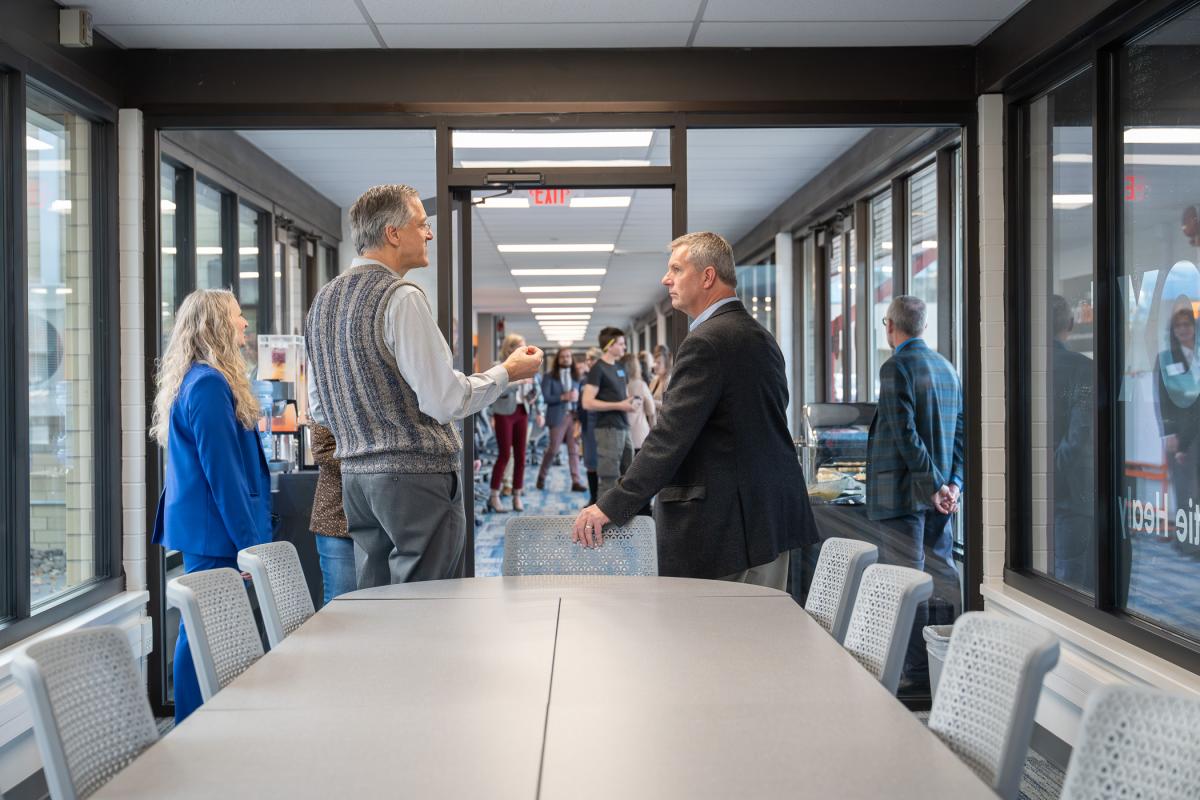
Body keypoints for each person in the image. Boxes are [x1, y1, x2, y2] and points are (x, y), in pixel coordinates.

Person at [305, 184, 543, 588]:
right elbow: (443, 399)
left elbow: (321, 408)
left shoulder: (322, 303)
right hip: (415, 479)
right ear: (393, 233)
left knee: (376, 602)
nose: (429, 233)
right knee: (426, 603)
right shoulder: (401, 298)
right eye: (421, 224)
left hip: (357, 482)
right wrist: (506, 373)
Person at [573, 232, 818, 589]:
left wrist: (611, 504)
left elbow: (669, 438)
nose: (666, 279)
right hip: (768, 521)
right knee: (761, 638)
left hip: (727, 530)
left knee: (713, 641)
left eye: (676, 269)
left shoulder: (706, 342)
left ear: (707, 276)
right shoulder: (758, 335)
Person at [150, 289, 272, 723]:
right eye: (238, 316)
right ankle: (190, 721)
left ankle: (204, 716)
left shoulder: (205, 380)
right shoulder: (207, 385)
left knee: (206, 624)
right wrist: (249, 545)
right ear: (218, 325)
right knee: (200, 625)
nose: (244, 324)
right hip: (214, 531)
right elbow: (224, 474)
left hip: (209, 527)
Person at [866, 294, 965, 688]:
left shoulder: (895, 368)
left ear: (891, 326)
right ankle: (946, 665)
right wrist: (952, 485)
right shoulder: (947, 368)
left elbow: (906, 438)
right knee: (941, 575)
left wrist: (936, 485)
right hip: (940, 498)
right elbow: (961, 435)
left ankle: (917, 673)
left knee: (907, 583)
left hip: (905, 495)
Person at [1049, 295, 1095, 591]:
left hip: (1030, 493)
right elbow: (1078, 435)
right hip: (1070, 491)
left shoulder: (1017, 363)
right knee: (1068, 586)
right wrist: (1053, 471)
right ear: (1070, 324)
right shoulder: (1083, 367)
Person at [487, 334, 545, 513]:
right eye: (520, 346)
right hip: (504, 412)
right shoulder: (499, 366)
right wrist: (519, 380)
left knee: (521, 456)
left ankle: (516, 495)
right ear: (510, 349)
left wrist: (537, 407)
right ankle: (494, 495)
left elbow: (535, 389)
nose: (524, 349)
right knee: (504, 455)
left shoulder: (528, 366)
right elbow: (497, 388)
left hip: (523, 411)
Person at [308, 422, 355, 604]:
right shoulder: (325, 393)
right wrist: (374, 464)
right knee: (342, 606)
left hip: (382, 516)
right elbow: (323, 449)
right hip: (338, 517)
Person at [537, 347, 587, 493]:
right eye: (563, 356)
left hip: (573, 416)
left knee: (574, 449)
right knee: (553, 449)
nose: (566, 359)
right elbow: (545, 397)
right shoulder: (549, 376)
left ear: (572, 359)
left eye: (568, 356)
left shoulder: (577, 377)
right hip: (558, 416)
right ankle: (541, 476)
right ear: (558, 360)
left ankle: (576, 481)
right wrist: (563, 397)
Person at [579, 349, 602, 504]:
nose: (589, 362)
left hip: (602, 425)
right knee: (590, 462)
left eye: (592, 359)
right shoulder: (584, 380)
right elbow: (579, 406)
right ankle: (593, 498)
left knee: (605, 464)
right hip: (587, 425)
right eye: (588, 359)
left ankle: (602, 499)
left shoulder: (605, 379)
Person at [621, 352, 657, 449]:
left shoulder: (618, 385)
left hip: (622, 435)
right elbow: (651, 410)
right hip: (640, 435)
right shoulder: (641, 385)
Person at [649, 343, 672, 415]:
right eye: (655, 362)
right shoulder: (654, 380)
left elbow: (669, 406)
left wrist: (650, 401)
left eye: (659, 363)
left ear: (666, 364)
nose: (655, 365)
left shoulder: (669, 381)